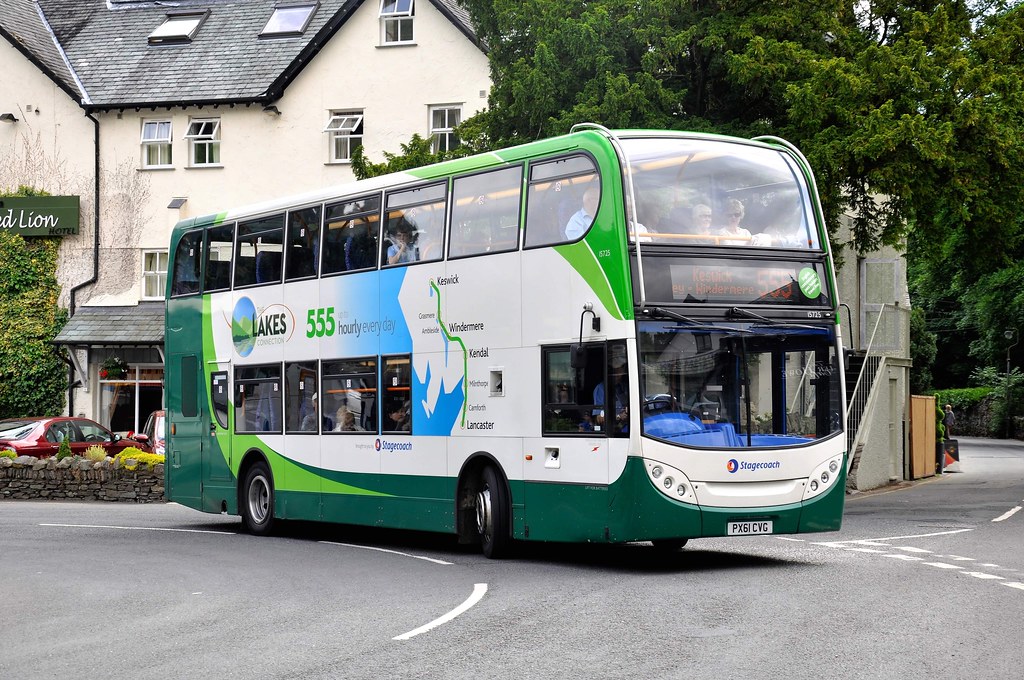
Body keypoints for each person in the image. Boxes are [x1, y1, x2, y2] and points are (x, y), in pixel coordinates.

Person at [593, 354, 629, 433]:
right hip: (613, 432)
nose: (619, 374)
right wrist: (618, 416)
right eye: (616, 370)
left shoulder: (624, 386)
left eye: (621, 369)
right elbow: (599, 418)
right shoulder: (601, 389)